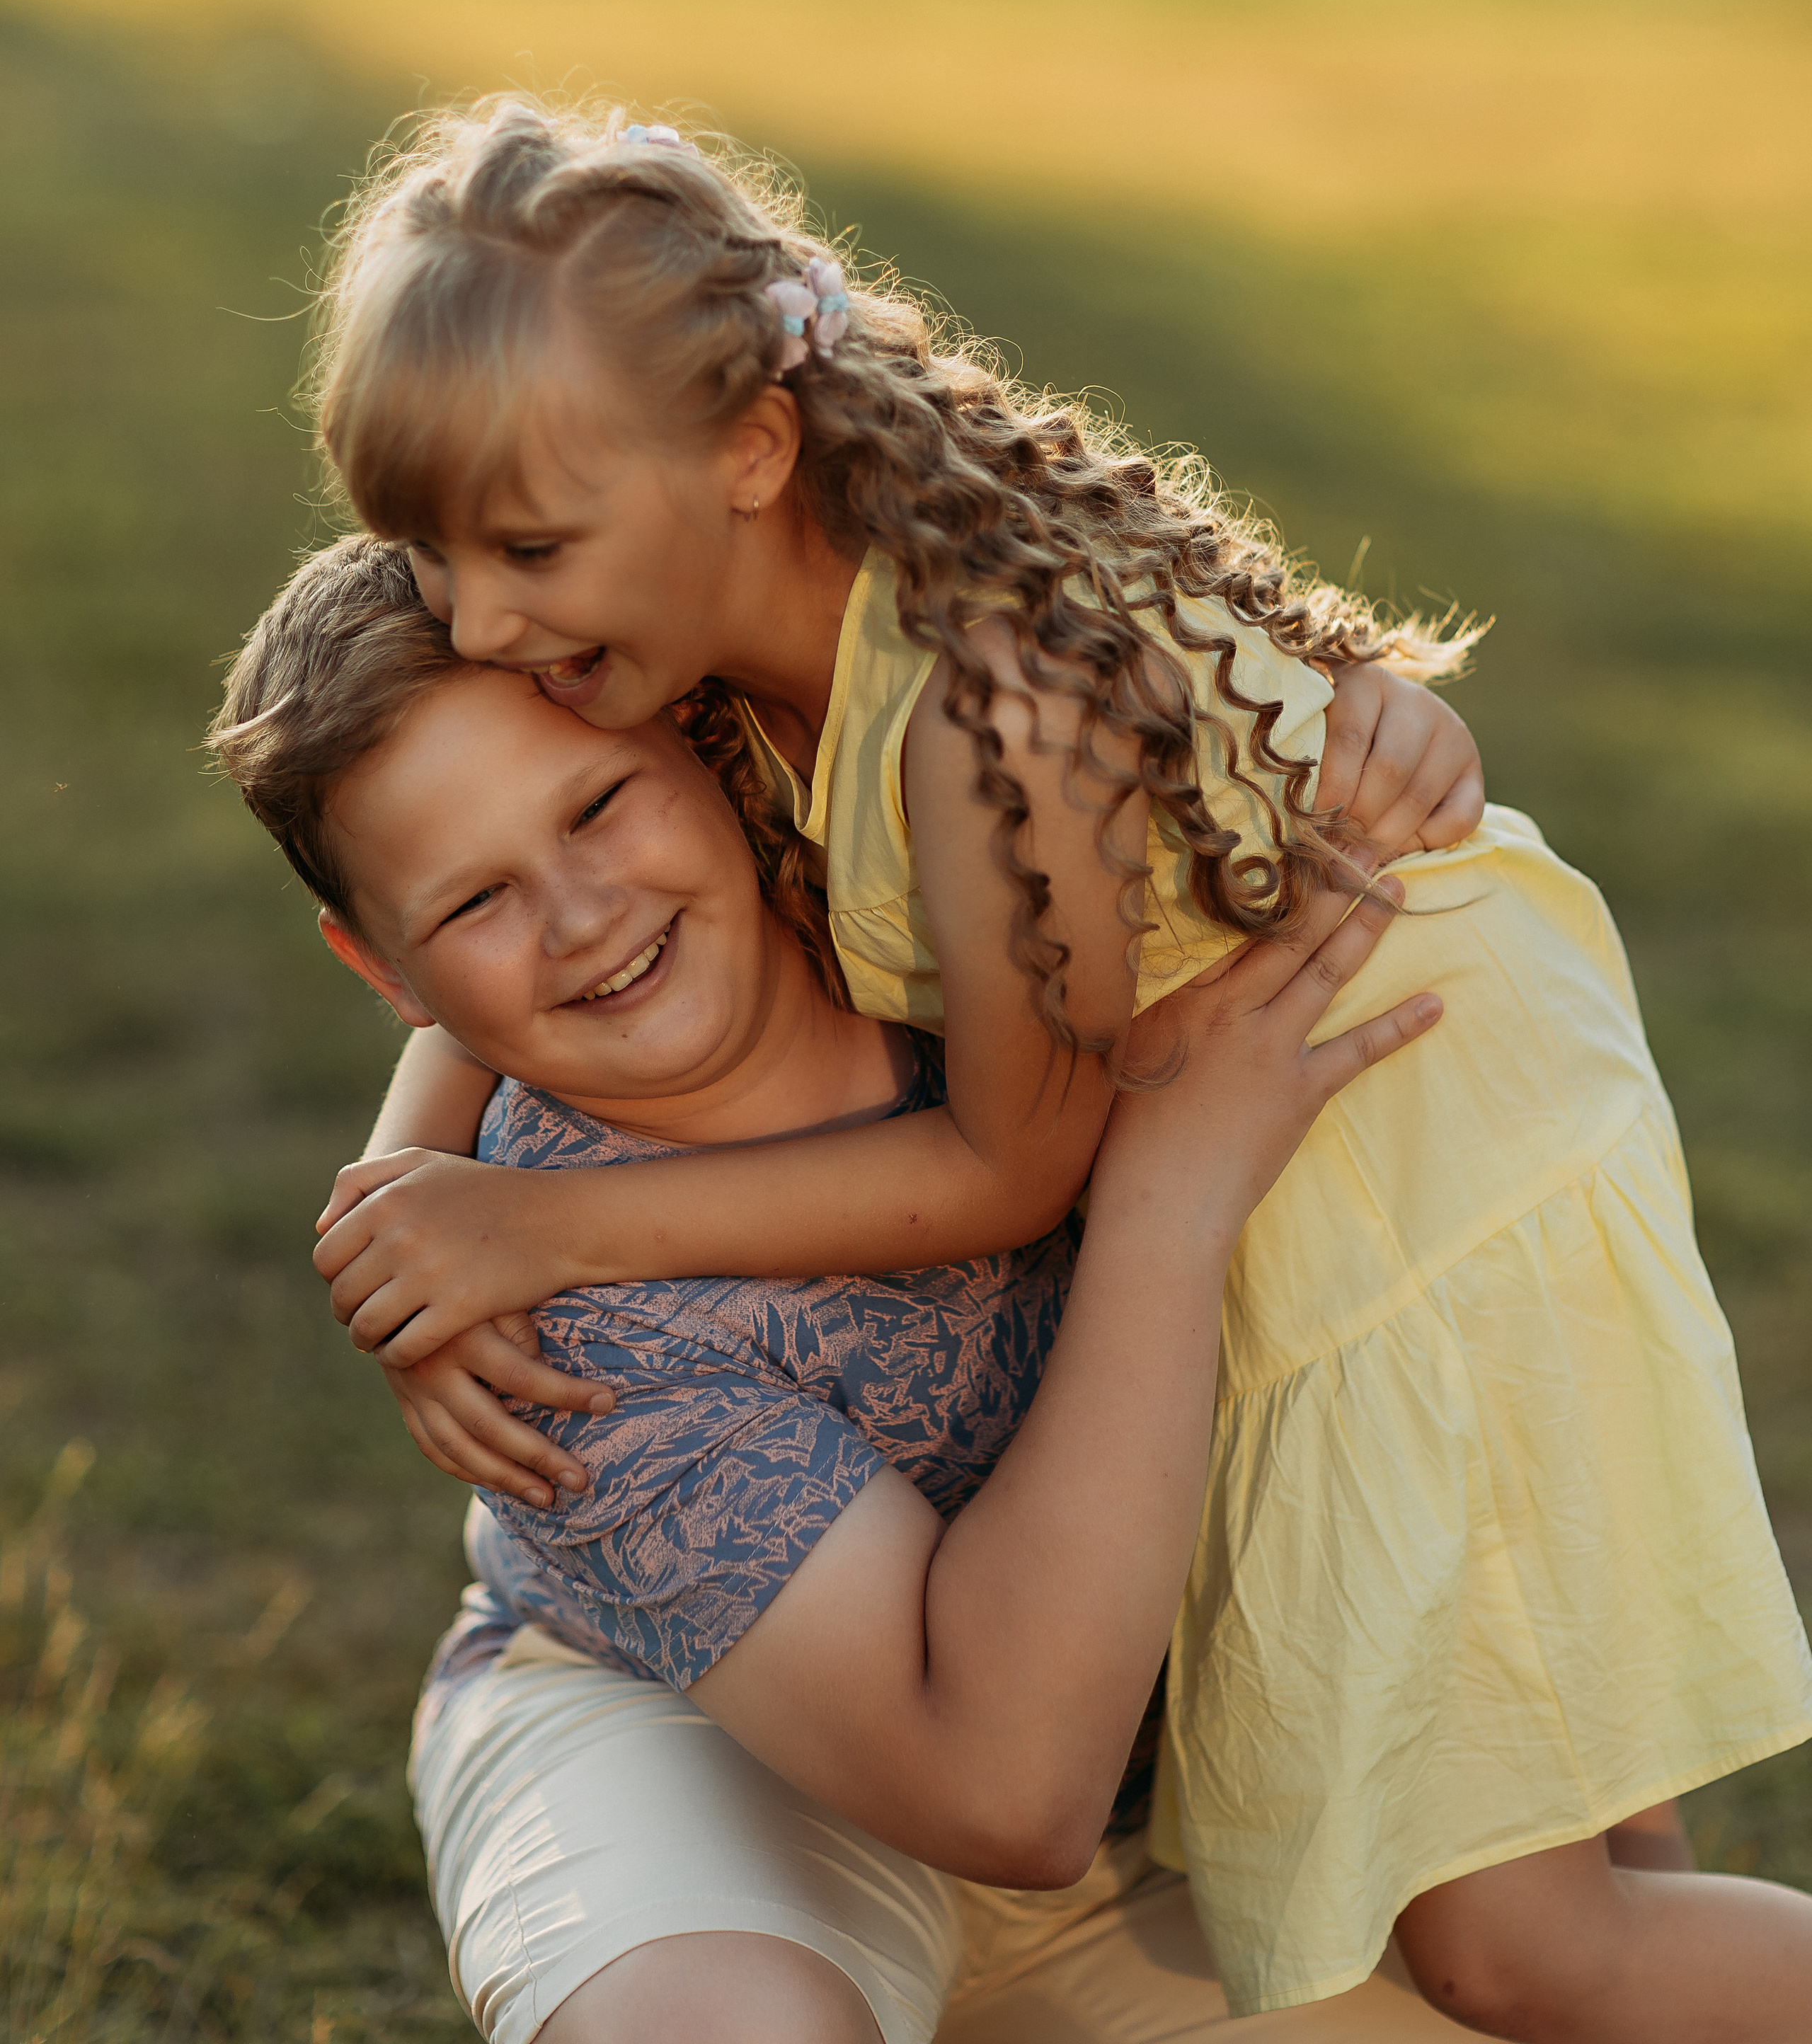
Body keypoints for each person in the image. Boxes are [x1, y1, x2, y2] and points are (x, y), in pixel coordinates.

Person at [298, 99, 1812, 2036]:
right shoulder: (705, 631)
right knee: (1550, 1879)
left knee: (1526, 1944)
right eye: (427, 553)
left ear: (752, 445)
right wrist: (411, 1203)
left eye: (524, 550)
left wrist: (543, 1231)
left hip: (1405, 1156)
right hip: (1301, 1153)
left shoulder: (965, 712)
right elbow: (458, 935)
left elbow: (1014, 1168)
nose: (483, 622)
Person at [212, 534, 1464, 2044]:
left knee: (1549, 1995)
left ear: (699, 734)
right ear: (385, 972)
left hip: (1152, 1786)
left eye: (598, 805)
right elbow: (1002, 1791)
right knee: (725, 2027)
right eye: (475, 904)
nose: (584, 915)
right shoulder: (532, 1318)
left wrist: (1362, 702)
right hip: (704, 1744)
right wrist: (1163, 1209)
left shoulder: (925, 895)